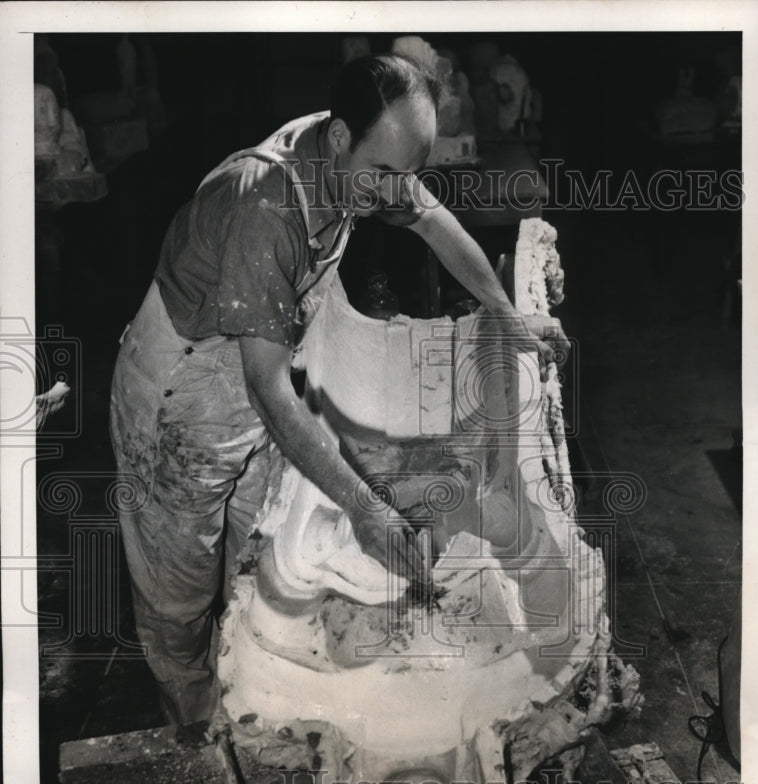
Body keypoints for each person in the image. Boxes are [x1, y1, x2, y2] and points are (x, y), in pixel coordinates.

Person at [110, 54, 565, 725]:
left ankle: (242, 702)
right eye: (384, 174)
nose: (392, 193)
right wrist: (365, 507)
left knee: (248, 574)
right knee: (179, 598)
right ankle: (191, 731)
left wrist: (502, 312)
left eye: (405, 175)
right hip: (179, 400)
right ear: (342, 137)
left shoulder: (365, 161)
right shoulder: (263, 205)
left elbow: (436, 224)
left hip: (245, 390)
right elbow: (268, 388)